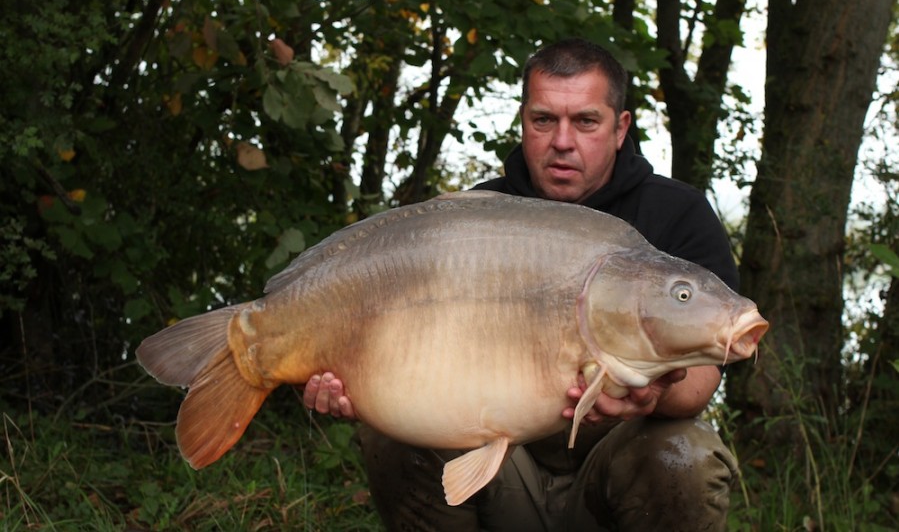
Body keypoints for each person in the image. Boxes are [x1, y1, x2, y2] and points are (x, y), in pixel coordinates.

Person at [303, 38, 738, 531]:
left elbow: (705, 374)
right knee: (393, 439)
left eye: (586, 121)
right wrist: (357, 384)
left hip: (617, 469)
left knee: (686, 453)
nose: (562, 141)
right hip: (501, 465)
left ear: (621, 129)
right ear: (524, 121)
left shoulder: (677, 214)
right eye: (544, 120)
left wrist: (653, 396)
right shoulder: (476, 217)